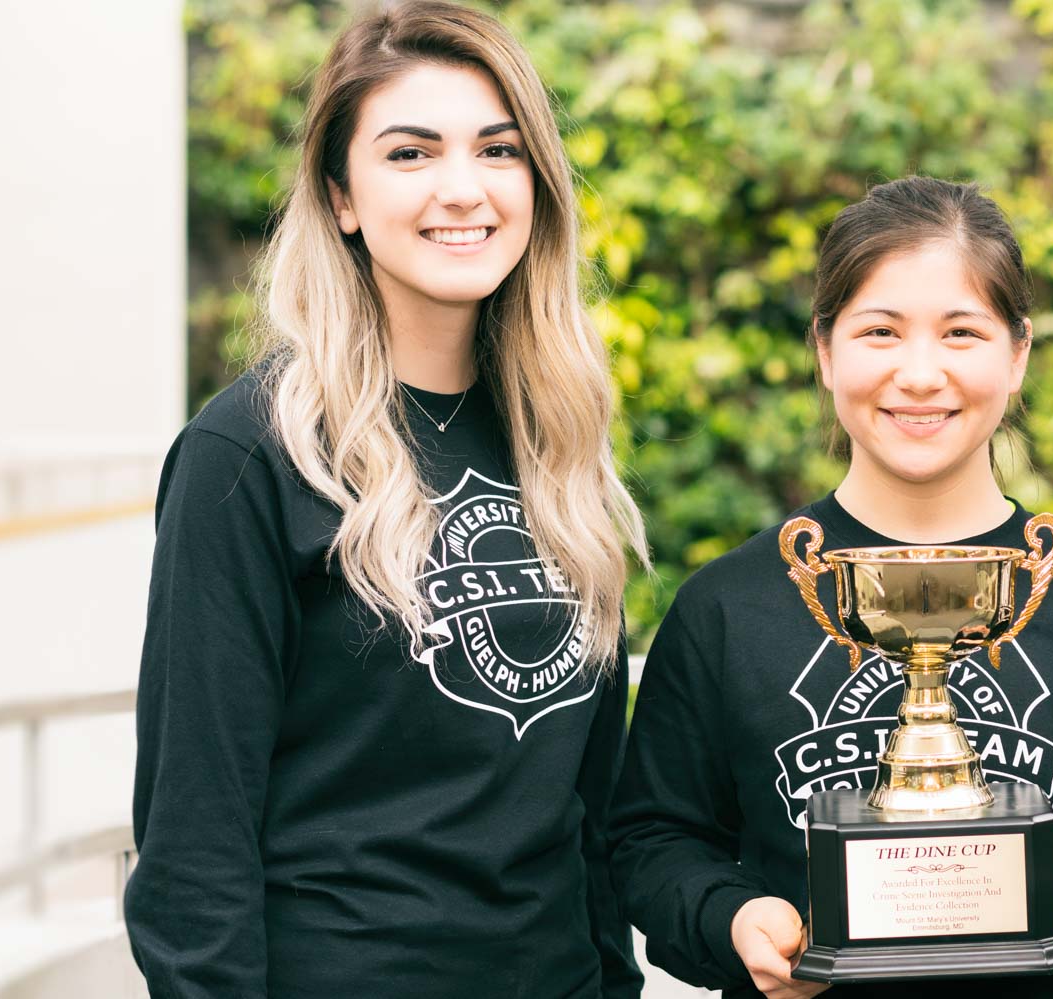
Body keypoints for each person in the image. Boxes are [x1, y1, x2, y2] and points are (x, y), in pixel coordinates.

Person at [123, 4, 646, 996]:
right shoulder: (251, 455)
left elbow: (590, 814)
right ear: (343, 197)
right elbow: (193, 845)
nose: (463, 189)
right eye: (410, 154)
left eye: (499, 150)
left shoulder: (558, 440)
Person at [610, 176, 1053, 999]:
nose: (920, 375)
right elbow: (652, 841)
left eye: (962, 332)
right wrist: (732, 919)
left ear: (1019, 351)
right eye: (880, 331)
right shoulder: (725, 609)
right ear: (824, 348)